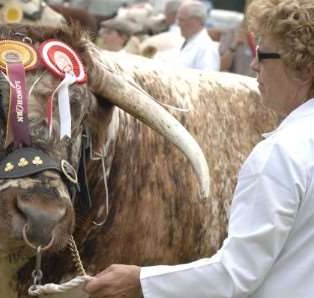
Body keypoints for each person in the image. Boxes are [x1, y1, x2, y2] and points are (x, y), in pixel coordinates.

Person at [84, 0, 314, 297]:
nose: (254, 65)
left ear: (306, 70)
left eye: (263, 54)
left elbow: (236, 274)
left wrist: (140, 281)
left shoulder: (280, 155)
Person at [174, 1, 220, 71]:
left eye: (181, 20)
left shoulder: (207, 49)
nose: (178, 24)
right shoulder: (185, 42)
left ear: (195, 21)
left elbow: (207, 80)